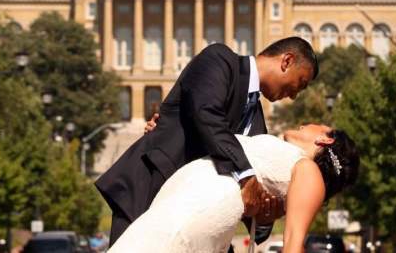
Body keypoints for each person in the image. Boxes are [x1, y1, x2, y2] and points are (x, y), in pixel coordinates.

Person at [94, 37, 319, 248]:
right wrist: (246, 175)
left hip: (196, 218)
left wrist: (262, 218)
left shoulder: (256, 121)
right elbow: (206, 115)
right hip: (151, 191)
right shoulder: (220, 59)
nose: (294, 96)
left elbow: (254, 203)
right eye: (300, 83)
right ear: (287, 61)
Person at [108, 124, 360, 252]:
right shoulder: (291, 164)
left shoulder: (309, 171)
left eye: (318, 124)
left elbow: (293, 244)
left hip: (197, 207)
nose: (306, 123)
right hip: (186, 199)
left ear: (324, 138)